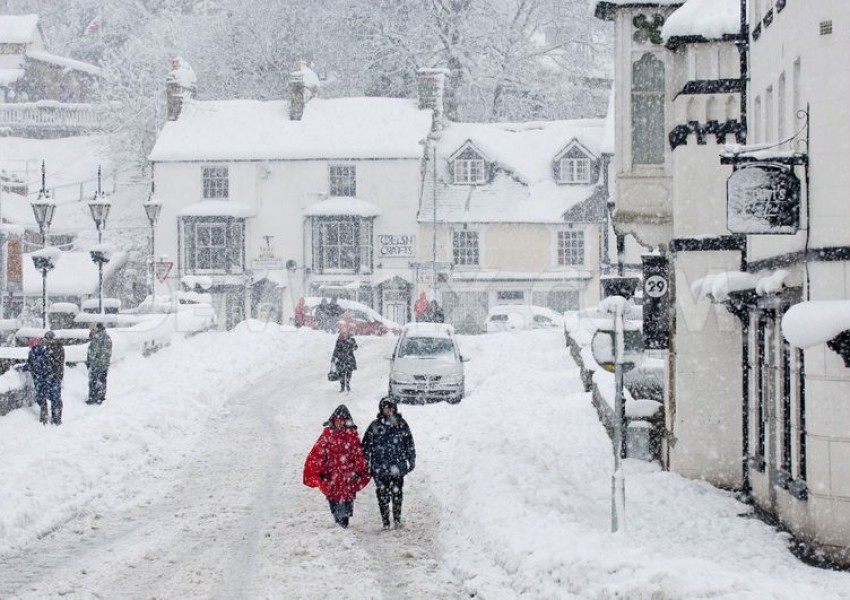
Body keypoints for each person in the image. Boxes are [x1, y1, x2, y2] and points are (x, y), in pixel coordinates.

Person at [303, 405, 371, 529]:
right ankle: (340, 524)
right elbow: (318, 454)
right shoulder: (327, 435)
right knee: (335, 505)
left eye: (342, 421)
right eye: (337, 421)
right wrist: (320, 472)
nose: (339, 424)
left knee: (346, 507)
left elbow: (358, 455)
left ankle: (342, 524)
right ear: (333, 421)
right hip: (332, 480)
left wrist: (359, 471)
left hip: (347, 480)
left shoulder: (352, 436)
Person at [361, 397, 416, 530]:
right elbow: (366, 446)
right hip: (379, 468)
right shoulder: (374, 426)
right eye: (386, 408)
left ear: (395, 409)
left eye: (391, 408)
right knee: (382, 495)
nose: (389, 411)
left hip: (398, 466)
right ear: (382, 409)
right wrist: (366, 461)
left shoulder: (402, 424)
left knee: (397, 494)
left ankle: (397, 519)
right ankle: (386, 521)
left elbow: (409, 443)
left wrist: (411, 458)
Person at [24, 337, 54, 425]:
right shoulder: (44, 351)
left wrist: (23, 368)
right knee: (43, 396)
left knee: (40, 397)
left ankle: (44, 417)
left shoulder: (33, 353)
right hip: (46, 377)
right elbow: (47, 364)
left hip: (39, 378)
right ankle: (46, 415)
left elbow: (32, 365)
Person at [86, 323, 112, 405]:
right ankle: (100, 397)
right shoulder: (107, 337)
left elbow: (93, 352)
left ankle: (93, 397)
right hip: (104, 363)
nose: (91, 332)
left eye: (92, 330)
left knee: (93, 380)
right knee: (102, 380)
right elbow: (108, 352)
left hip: (96, 363)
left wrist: (89, 361)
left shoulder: (97, 337)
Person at [43, 331, 64, 425]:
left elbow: (55, 363)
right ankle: (55, 417)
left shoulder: (56, 348)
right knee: (54, 397)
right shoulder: (51, 347)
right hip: (54, 376)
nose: (45, 341)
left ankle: (57, 418)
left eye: (46, 339)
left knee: (55, 398)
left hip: (55, 376)